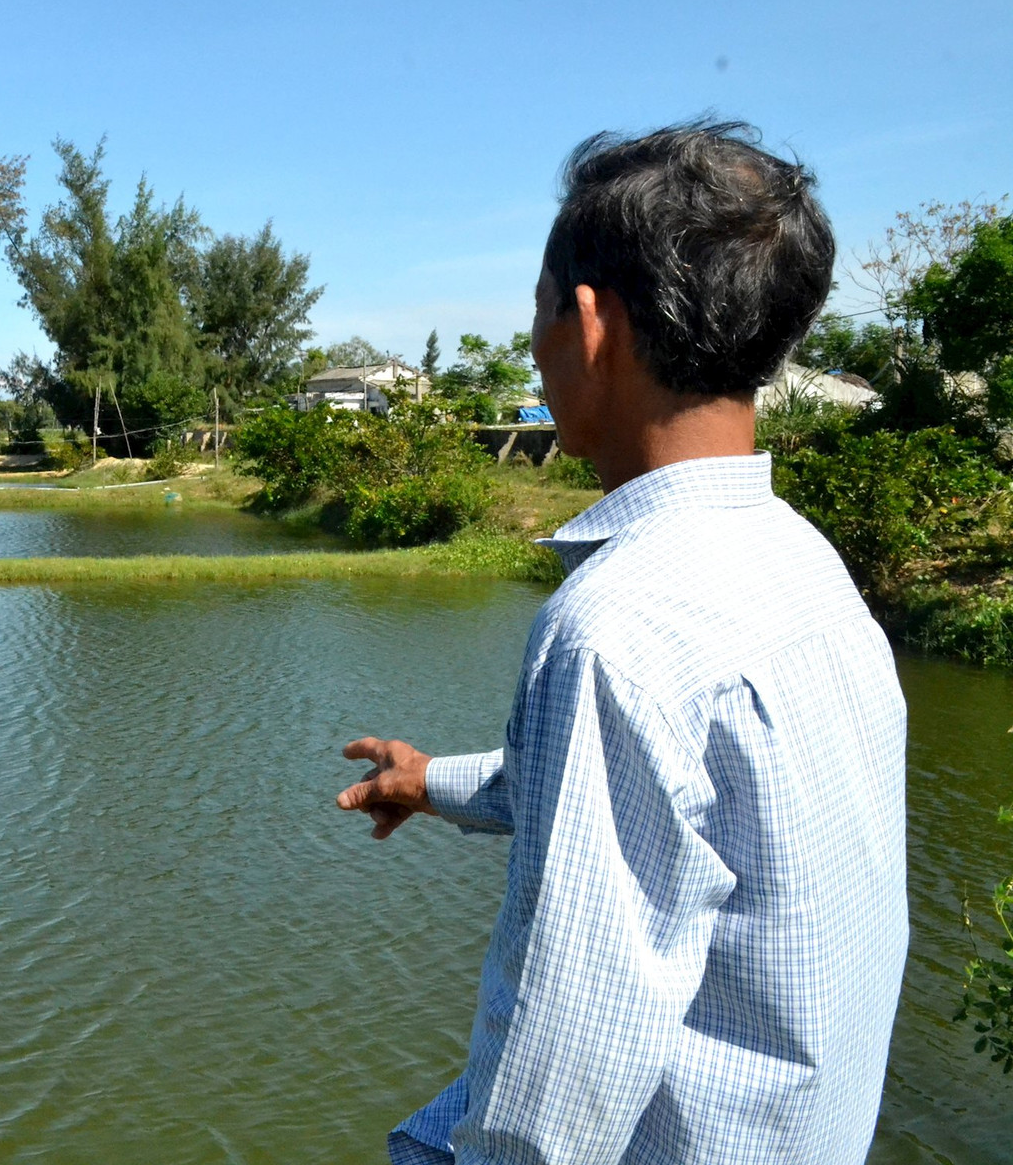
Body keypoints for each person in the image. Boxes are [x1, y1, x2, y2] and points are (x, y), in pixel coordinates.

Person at [338, 122, 908, 1164]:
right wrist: (432, 781)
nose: (538, 350)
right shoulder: (804, 567)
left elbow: (562, 1078)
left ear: (590, 324)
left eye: (539, 317)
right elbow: (674, 807)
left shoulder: (619, 624)